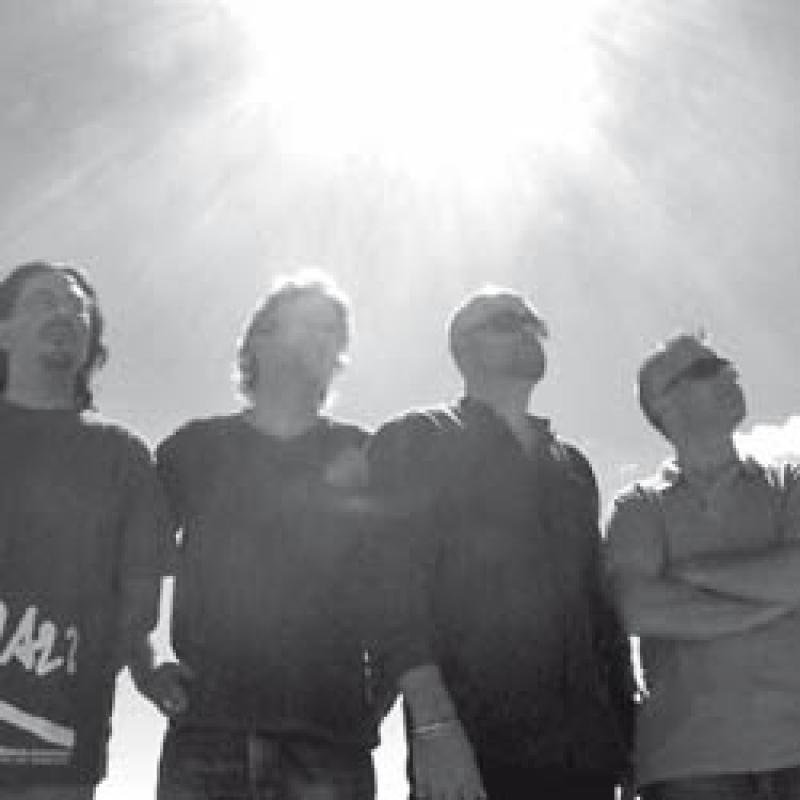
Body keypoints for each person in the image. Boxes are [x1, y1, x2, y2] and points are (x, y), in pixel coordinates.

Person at [141, 269, 456, 800]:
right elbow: (131, 559)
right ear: (257, 341)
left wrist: (383, 696)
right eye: (304, 324)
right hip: (208, 734)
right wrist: (144, 660)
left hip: (332, 743)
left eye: (332, 331)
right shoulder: (194, 449)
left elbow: (399, 592)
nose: (320, 339)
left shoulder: (367, 455)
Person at [368, 287, 633, 800]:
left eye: (534, 324)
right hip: (474, 757)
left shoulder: (573, 468)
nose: (527, 332)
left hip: (587, 760)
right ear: (463, 348)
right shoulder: (417, 439)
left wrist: (625, 732)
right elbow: (391, 594)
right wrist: (434, 727)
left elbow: (599, 612)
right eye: (507, 322)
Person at [605, 332, 800, 800]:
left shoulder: (790, 483)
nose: (729, 373)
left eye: (724, 363)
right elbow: (637, 609)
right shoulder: (638, 507)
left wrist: (693, 572)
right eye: (706, 369)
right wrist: (775, 599)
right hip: (687, 766)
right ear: (664, 404)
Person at [0, 261, 169, 800]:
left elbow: (138, 607)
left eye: (77, 307)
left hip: (56, 748)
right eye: (43, 300)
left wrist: (139, 664)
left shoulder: (124, 456)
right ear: (4, 331)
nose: (64, 313)